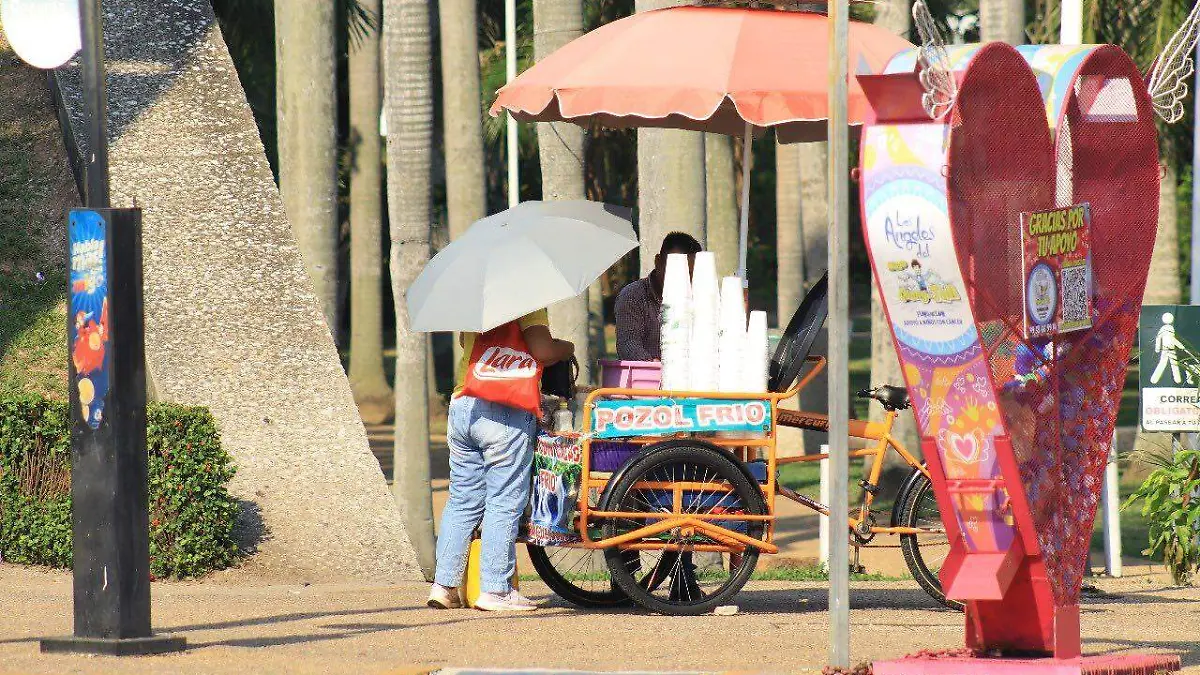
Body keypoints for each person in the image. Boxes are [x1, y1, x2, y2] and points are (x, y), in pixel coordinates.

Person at [427, 309, 574, 612]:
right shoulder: (526, 299)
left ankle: (444, 586)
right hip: (504, 407)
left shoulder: (476, 300)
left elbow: (463, 344)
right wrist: (567, 347)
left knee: (462, 499)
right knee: (505, 499)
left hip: (463, 403)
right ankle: (496, 589)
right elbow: (542, 351)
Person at [614, 232, 702, 361]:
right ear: (658, 262)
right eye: (674, 269)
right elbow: (628, 343)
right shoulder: (633, 296)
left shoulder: (701, 299)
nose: (681, 278)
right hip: (645, 378)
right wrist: (653, 363)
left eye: (689, 273)